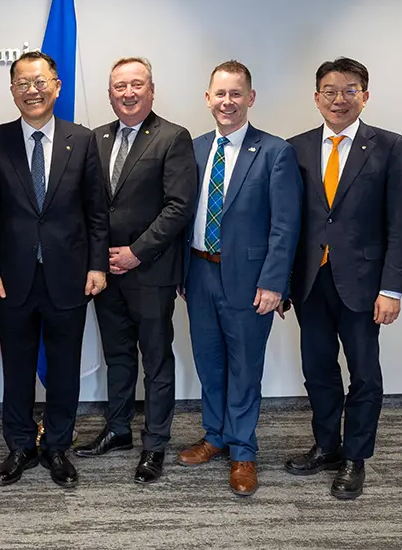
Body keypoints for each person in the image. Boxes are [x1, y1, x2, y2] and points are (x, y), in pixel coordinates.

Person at [0, 51, 109, 489]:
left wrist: (96, 265)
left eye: (40, 82)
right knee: (16, 368)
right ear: (12, 90)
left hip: (69, 276)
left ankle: (56, 447)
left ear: (57, 85)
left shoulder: (82, 140)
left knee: (65, 368)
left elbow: (96, 212)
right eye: (23, 84)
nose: (32, 91)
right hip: (11, 278)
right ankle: (18, 446)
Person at [283, 57, 402, 500]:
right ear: (316, 96)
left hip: (363, 285)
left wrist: (392, 288)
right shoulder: (295, 148)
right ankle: (327, 445)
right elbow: (287, 223)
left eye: (349, 90)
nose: (339, 99)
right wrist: (282, 284)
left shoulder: (390, 147)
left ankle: (356, 457)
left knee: (364, 375)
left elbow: (400, 224)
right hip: (310, 284)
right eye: (330, 90)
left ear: (365, 95)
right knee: (317, 371)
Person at [178, 60, 302, 497]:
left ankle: (243, 451)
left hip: (251, 282)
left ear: (250, 98)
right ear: (207, 98)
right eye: (220, 94)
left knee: (245, 368)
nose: (227, 102)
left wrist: (274, 283)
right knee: (209, 363)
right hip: (198, 273)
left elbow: (285, 226)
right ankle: (215, 437)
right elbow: (180, 215)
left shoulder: (274, 152)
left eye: (236, 94)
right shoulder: (191, 149)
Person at [74, 58, 196, 485]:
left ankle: (155, 444)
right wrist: (98, 259)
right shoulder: (96, 138)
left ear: (151, 90)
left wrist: (137, 253)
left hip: (150, 271)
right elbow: (93, 206)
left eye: (136, 85)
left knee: (157, 361)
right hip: (106, 273)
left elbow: (179, 206)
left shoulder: (173, 138)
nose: (127, 93)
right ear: (109, 93)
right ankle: (118, 428)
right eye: (119, 86)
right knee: (118, 356)